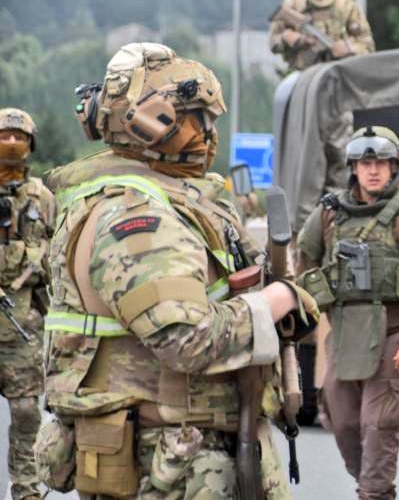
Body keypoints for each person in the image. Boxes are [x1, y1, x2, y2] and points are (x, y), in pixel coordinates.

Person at [40, 42, 318, 499]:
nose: (208, 134)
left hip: (186, 459)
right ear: (151, 123)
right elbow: (186, 339)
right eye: (197, 118)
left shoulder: (166, 202)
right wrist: (275, 302)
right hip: (172, 466)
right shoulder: (138, 217)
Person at [295, 126, 399, 500]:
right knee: (342, 420)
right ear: (354, 168)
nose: (374, 170)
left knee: (378, 424)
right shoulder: (330, 213)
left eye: (381, 162)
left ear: (394, 165)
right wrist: (315, 297)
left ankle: (374, 492)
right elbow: (304, 259)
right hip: (345, 335)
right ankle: (370, 483)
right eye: (365, 164)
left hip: (393, 336)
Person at [269, 0, 376, 188]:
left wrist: (346, 47)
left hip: (337, 88)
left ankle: (340, 197)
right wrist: (292, 38)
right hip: (303, 85)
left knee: (340, 149)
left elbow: (367, 44)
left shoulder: (346, 6)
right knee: (303, 149)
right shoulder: (294, 5)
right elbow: (274, 41)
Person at [0, 108, 54, 500]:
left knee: (25, 413)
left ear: (31, 145)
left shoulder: (42, 198)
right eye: (4, 135)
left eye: (19, 137)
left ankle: (26, 490)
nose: (12, 142)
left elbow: (58, 256)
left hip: (22, 326)